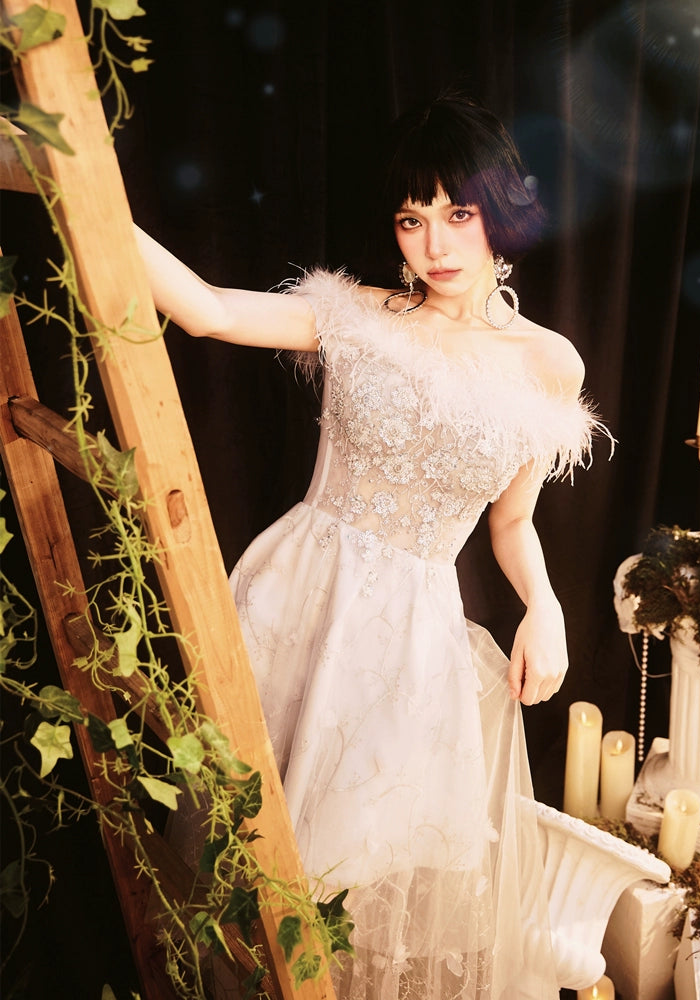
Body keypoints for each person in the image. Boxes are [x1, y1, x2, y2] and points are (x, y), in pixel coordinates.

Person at [135, 94, 602, 1000]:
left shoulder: (550, 362)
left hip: (410, 646)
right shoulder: (356, 315)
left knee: (351, 889)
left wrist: (544, 606)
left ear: (500, 210)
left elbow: (511, 522)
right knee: (255, 869)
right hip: (301, 601)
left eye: (458, 214)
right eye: (412, 220)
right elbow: (207, 311)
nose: (435, 246)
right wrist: (79, 192)